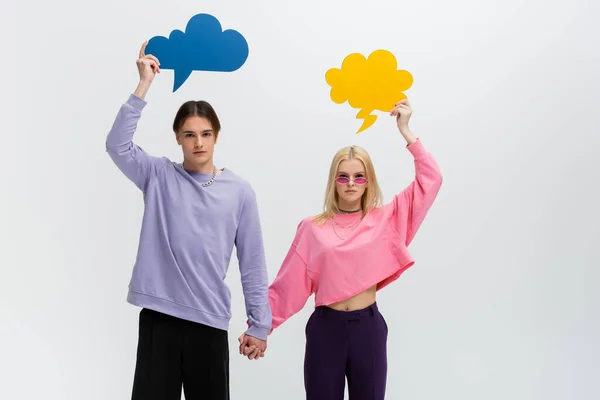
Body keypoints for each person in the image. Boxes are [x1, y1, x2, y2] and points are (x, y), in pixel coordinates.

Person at [239, 99, 443, 399]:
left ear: (368, 181)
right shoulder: (312, 228)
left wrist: (406, 131)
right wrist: (259, 328)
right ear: (333, 181)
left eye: (359, 176)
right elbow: (287, 287)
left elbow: (431, 180)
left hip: (368, 329)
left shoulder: (387, 219)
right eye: (343, 176)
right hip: (326, 330)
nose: (351, 183)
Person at [105, 42, 271, 400]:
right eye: (190, 135)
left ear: (216, 136)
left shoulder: (239, 191)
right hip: (159, 318)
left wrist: (260, 324)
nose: (199, 143)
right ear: (178, 138)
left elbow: (252, 264)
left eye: (206, 134)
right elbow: (117, 145)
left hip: (208, 322)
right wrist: (143, 85)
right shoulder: (158, 175)